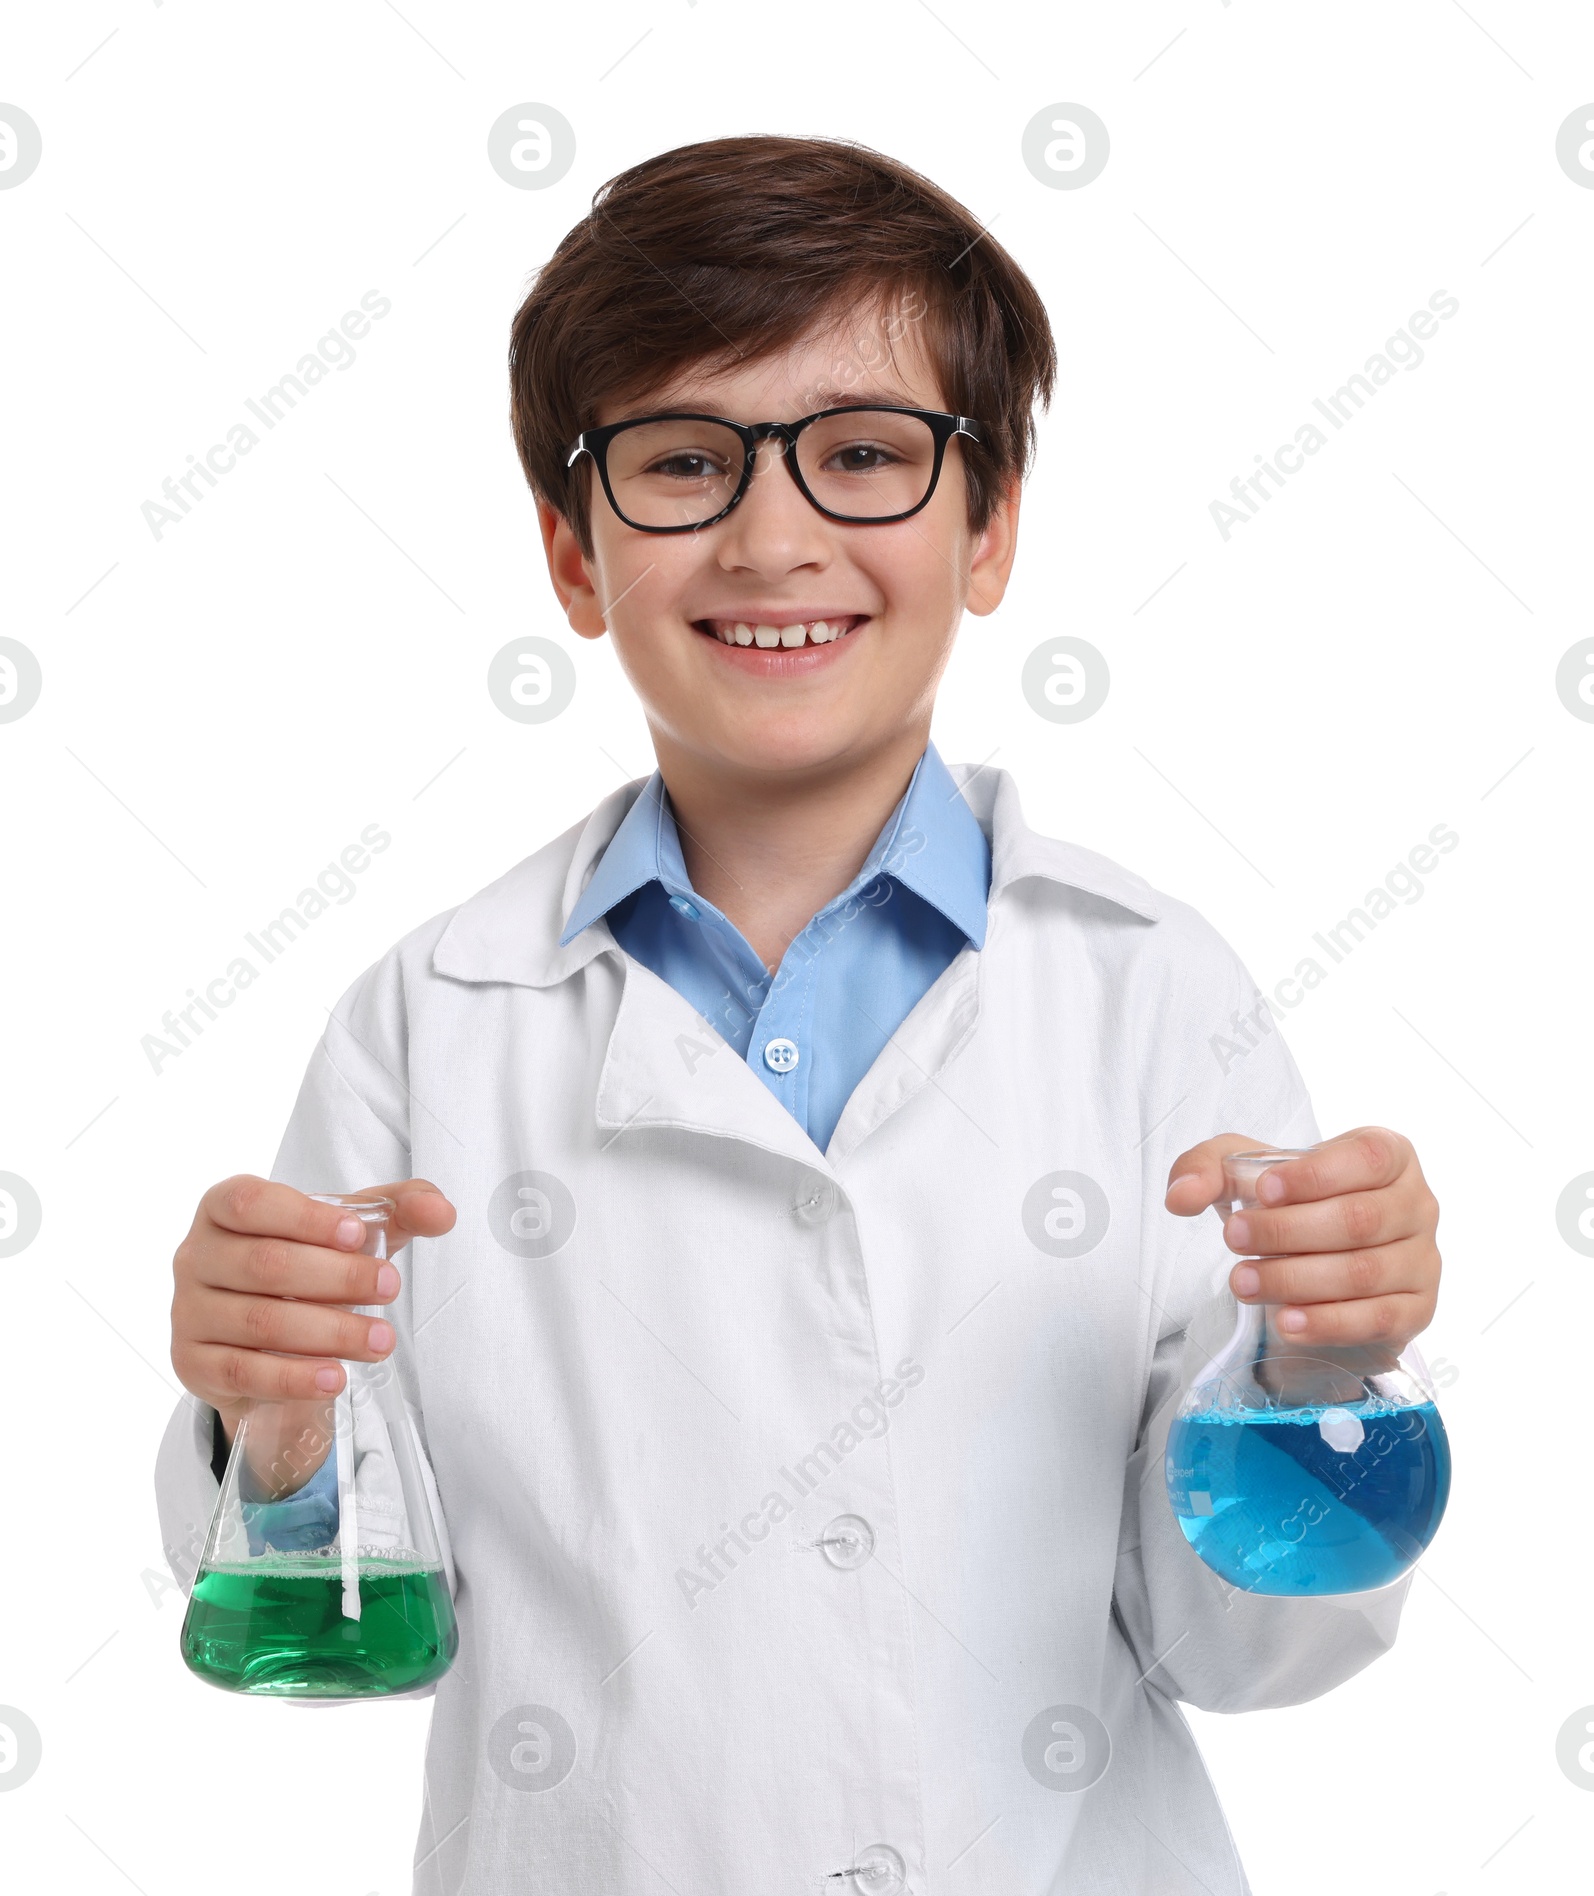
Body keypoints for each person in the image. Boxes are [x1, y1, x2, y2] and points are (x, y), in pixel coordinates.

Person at [157, 134, 1443, 1893]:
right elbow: (354, 1623)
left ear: (988, 529)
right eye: (684, 462)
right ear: (570, 549)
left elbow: (1246, 1648)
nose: (776, 538)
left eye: (863, 455)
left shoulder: (1152, 993)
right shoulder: (425, 1028)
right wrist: (272, 1417)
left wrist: (1319, 1369)